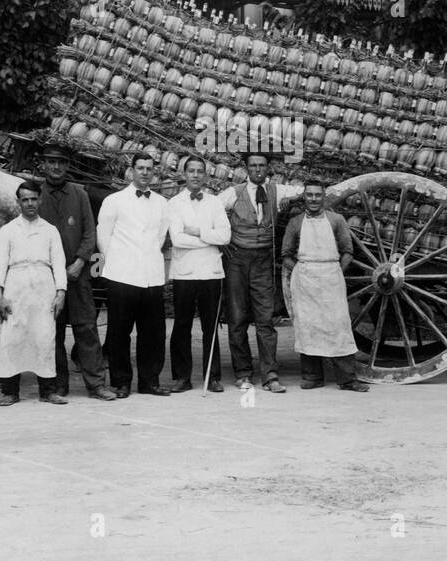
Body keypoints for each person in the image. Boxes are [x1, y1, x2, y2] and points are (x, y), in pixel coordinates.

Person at [38, 142, 115, 402]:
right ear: (44, 164)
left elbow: (90, 233)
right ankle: (59, 385)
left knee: (86, 328)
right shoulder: (35, 196)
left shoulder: (80, 195)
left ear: (68, 166)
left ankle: (96, 385)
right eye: (51, 162)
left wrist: (80, 262)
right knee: (53, 331)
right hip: (48, 277)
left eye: (61, 162)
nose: (56, 167)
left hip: (78, 274)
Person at [220, 153, 298, 394]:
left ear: (268, 168)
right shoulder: (233, 193)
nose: (257, 169)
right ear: (246, 168)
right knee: (237, 318)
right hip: (237, 260)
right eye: (253, 165)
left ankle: (270, 375)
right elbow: (209, 212)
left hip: (263, 260)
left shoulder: (277, 190)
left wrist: (293, 201)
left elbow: (306, 192)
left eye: (262, 165)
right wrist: (222, 240)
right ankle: (243, 373)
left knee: (265, 320)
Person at [282, 180, 369, 392]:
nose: (313, 199)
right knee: (308, 326)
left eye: (317, 195)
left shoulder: (336, 220)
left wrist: (336, 270)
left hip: (331, 276)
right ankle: (312, 377)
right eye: (309, 195)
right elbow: (285, 254)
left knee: (338, 325)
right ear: (304, 197)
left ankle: (347, 379)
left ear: (324, 197)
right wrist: (301, 270)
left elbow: (348, 251)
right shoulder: (295, 222)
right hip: (305, 279)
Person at [98, 152, 171, 397]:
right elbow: (104, 237)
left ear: (154, 172)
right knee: (119, 332)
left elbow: (160, 237)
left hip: (151, 275)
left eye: (149, 168)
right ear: (131, 170)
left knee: (152, 332)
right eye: (140, 168)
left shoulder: (162, 203)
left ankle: (150, 381)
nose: (145, 173)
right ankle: (121, 382)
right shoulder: (114, 201)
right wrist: (117, 263)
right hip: (121, 275)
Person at [0, 178, 66, 406]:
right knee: (14, 338)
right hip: (16, 286)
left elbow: (59, 263)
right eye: (25, 200)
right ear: (18, 202)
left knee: (44, 337)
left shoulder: (50, 231)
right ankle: (10, 391)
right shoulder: (8, 230)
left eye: (34, 199)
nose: (30, 203)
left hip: (44, 287)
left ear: (40, 200)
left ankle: (48, 390)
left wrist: (60, 292)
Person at [168, 156, 232, 392]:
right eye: (191, 171)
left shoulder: (215, 202)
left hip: (211, 273)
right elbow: (177, 239)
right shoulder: (173, 203)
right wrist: (208, 239)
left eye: (200, 171)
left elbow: (225, 236)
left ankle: (212, 376)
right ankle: (182, 377)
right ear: (184, 174)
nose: (195, 175)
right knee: (182, 326)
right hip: (184, 273)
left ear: (206, 176)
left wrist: (196, 231)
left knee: (210, 325)